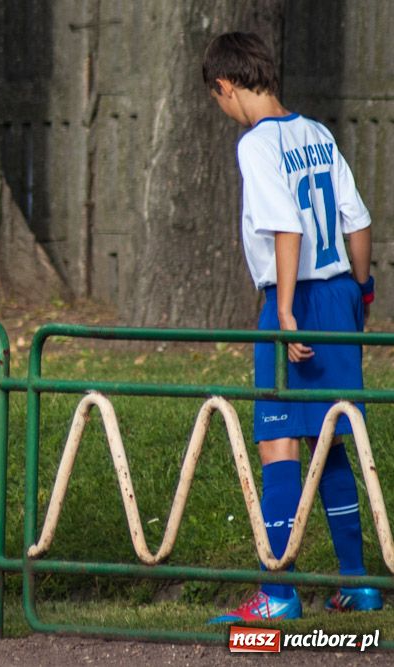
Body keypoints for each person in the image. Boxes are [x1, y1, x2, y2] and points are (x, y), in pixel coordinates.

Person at [203, 32, 381, 622]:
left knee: (277, 439)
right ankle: (357, 584)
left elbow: (287, 227)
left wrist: (283, 311)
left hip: (295, 297)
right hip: (341, 291)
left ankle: (277, 592)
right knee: (330, 436)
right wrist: (362, 290)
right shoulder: (318, 133)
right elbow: (357, 220)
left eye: (218, 100)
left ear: (225, 86)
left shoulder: (256, 144)